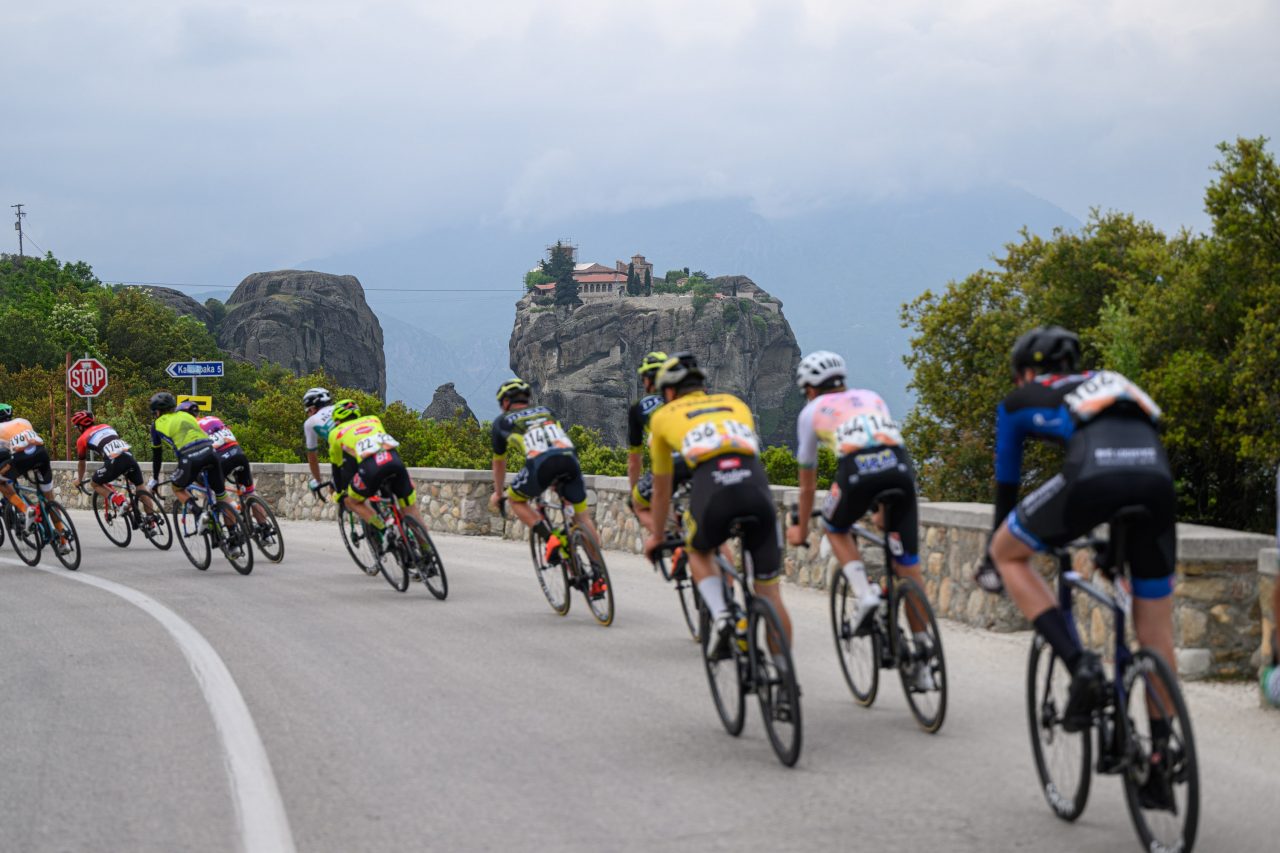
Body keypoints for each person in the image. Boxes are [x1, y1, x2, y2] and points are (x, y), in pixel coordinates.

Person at [978, 326, 1177, 807]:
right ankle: (1160, 757)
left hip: (1092, 477)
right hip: (1155, 481)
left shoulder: (1021, 397)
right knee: (1154, 633)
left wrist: (990, 555)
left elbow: (1007, 489)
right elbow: (1136, 450)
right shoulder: (1116, 381)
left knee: (1009, 553)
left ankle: (1079, 665)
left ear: (1028, 370)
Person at [783, 350, 934, 689]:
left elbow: (807, 483)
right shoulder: (871, 396)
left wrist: (801, 527)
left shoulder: (810, 413)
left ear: (809, 388)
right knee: (907, 567)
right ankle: (923, 655)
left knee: (834, 526)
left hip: (857, 470)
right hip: (899, 470)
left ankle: (865, 594)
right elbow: (884, 444)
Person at [640, 353, 791, 660]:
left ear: (668, 392)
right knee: (770, 592)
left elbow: (661, 488)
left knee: (698, 550)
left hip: (713, 488)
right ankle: (783, 679)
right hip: (755, 485)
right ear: (703, 386)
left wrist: (657, 534)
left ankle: (722, 615)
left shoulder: (662, 417)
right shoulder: (736, 404)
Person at [487, 378, 606, 598]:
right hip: (570, 460)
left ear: (505, 403)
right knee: (582, 518)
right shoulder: (547, 411)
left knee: (516, 499)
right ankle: (599, 576)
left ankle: (549, 537)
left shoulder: (502, 422)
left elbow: (499, 462)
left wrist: (498, 492)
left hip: (541, 464)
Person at [326, 399, 428, 551]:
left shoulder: (335, 433)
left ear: (337, 420)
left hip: (371, 469)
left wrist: (340, 492)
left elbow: (337, 468)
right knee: (410, 510)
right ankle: (427, 552)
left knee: (352, 501)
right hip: (395, 463)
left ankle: (383, 528)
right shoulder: (373, 419)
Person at [148, 391, 239, 553]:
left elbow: (157, 455)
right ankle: (234, 541)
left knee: (177, 486)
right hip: (211, 452)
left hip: (189, 457)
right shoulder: (187, 415)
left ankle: (199, 513)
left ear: (157, 411)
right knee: (221, 496)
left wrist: (155, 479)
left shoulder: (156, 425)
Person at [178, 401, 268, 527]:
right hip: (238, 454)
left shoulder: (190, 430)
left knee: (212, 488)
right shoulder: (213, 418)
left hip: (221, 460)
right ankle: (265, 530)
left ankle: (228, 521)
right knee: (249, 492)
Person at [0, 404, 67, 549]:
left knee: (1, 482)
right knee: (49, 500)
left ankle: (26, 509)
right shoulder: (23, 422)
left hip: (20, 459)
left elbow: (5, 454)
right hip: (41, 454)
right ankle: (63, 541)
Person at [72, 409, 160, 519]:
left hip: (114, 461)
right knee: (140, 486)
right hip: (128, 455)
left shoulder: (81, 439)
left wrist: (79, 480)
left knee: (94, 483)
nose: (76, 430)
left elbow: (82, 463)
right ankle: (151, 519)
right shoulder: (106, 426)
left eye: (76, 427)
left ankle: (120, 501)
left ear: (81, 426)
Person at [627, 351, 671, 533]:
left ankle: (662, 538)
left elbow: (634, 461)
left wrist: (633, 489)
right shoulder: (683, 398)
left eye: (644, 377)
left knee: (636, 504)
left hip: (668, 465)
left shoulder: (640, 407)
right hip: (700, 461)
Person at [301, 387, 337, 496]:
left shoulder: (311, 422)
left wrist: (317, 480)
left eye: (307, 411)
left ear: (311, 409)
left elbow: (312, 456)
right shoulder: (341, 408)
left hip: (346, 451)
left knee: (337, 492)